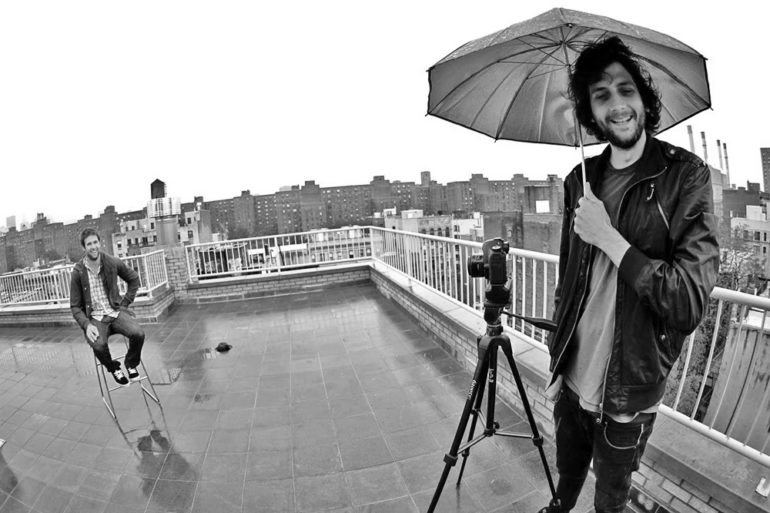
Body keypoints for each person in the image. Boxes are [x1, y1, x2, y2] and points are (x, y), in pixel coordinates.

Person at [540, 37, 719, 513]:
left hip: (629, 388)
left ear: (645, 99)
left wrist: (610, 238)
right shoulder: (579, 181)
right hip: (574, 376)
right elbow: (569, 280)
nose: (617, 104)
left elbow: (688, 302)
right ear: (590, 112)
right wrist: (557, 357)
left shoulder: (686, 176)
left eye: (626, 90)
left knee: (610, 498)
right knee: (568, 470)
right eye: (602, 95)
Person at [70, 228, 145, 386]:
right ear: (84, 248)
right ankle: (114, 368)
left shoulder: (111, 262)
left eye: (95, 242)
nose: (93, 247)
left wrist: (124, 304)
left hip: (115, 312)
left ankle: (131, 364)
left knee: (138, 334)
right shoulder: (78, 272)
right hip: (96, 317)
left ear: (99, 243)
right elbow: (75, 306)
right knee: (98, 345)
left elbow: (134, 279)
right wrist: (87, 325)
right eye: (89, 244)